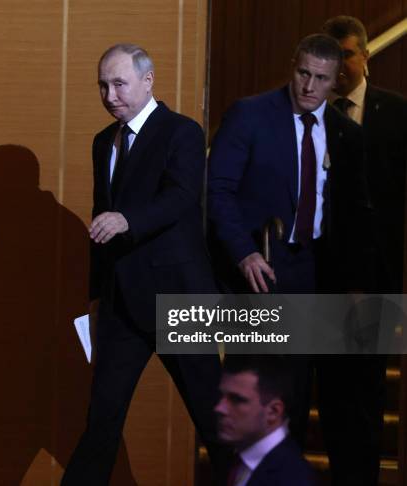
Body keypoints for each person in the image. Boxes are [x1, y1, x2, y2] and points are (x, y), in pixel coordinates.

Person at [61, 43, 226, 486]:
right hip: (121, 306)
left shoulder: (182, 132)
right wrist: (96, 294)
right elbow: (101, 223)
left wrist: (127, 219)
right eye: (103, 85)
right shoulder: (102, 142)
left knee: (216, 423)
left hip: (179, 299)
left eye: (119, 83)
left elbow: (181, 197)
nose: (110, 94)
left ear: (148, 81)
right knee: (101, 423)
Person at [207, 34, 375, 452]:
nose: (309, 86)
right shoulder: (250, 115)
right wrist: (243, 252)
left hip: (313, 273)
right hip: (257, 270)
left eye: (320, 78)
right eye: (303, 73)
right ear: (292, 66)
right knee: (254, 397)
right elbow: (218, 190)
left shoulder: (345, 134)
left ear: (335, 80)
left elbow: (355, 216)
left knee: (295, 401)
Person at [318, 16, 407, 486]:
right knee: (330, 396)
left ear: (366, 56)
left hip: (374, 280)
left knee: (366, 394)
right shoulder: (310, 116)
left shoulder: (396, 113)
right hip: (319, 279)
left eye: (347, 55)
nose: (340, 66)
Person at [215, 356, 317, 486]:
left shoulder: (290, 477)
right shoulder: (240, 463)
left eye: (236, 399)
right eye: (222, 397)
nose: (220, 408)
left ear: (273, 411)